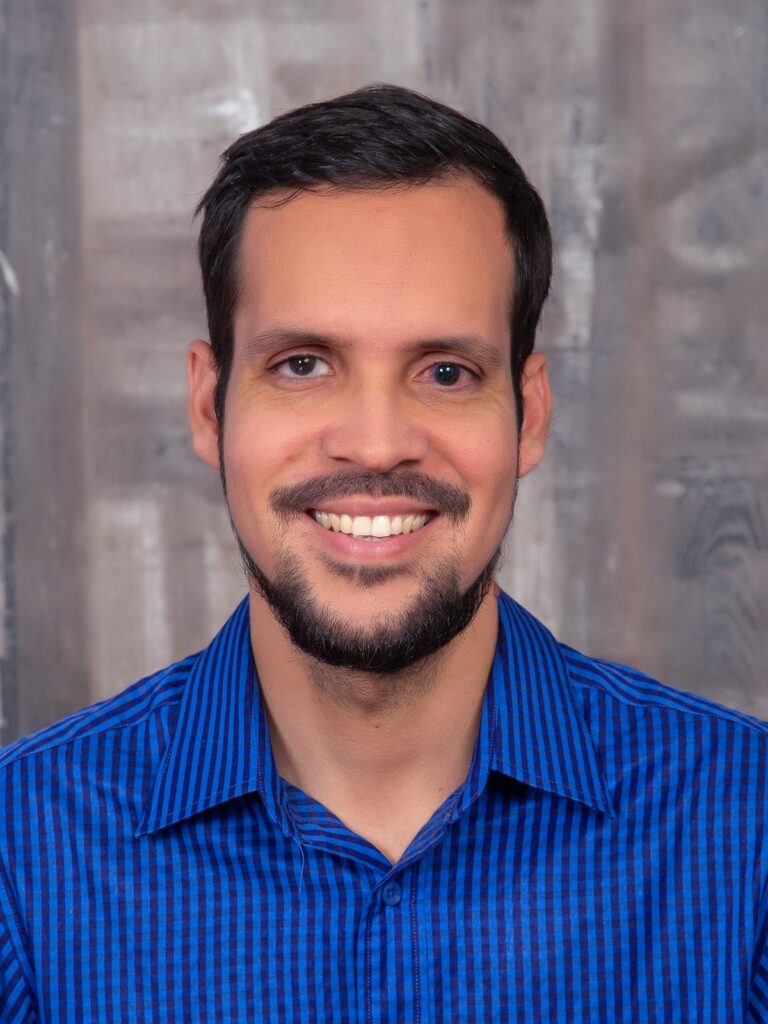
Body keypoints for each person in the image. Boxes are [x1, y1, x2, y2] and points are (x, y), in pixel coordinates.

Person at [0, 84, 766, 1024]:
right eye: (303, 365)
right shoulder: (25, 861)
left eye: (446, 372)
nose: (374, 444)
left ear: (529, 414)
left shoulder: (744, 835)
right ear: (209, 407)